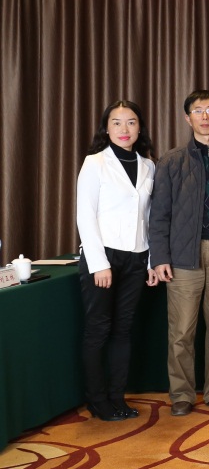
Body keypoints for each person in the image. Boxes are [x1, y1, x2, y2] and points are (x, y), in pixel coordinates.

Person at [149, 90, 209, 416]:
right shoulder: (172, 160)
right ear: (188, 118)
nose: (205, 116)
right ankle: (182, 394)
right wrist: (160, 257)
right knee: (181, 331)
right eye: (198, 111)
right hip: (182, 254)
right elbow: (158, 214)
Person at [76, 100, 158, 421]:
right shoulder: (95, 163)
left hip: (137, 258)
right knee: (98, 329)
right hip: (104, 258)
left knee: (123, 330)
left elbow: (149, 218)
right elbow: (85, 215)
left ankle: (116, 397)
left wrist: (150, 262)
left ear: (140, 128)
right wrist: (99, 263)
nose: (124, 129)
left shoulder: (148, 166)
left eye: (131, 122)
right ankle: (97, 401)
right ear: (106, 128)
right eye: (117, 122)